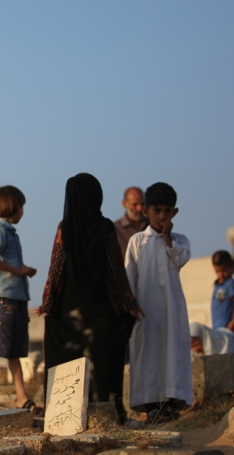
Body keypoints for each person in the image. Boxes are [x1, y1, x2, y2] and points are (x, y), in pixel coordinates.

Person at [39, 173, 144, 425]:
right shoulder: (106, 227)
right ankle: (111, 413)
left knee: (62, 350)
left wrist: (48, 304)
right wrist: (129, 304)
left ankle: (64, 416)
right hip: (100, 311)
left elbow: (56, 268)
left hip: (70, 313)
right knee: (107, 355)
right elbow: (115, 268)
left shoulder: (65, 228)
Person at [125, 182, 192, 424]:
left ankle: (172, 403)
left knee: (172, 352)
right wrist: (130, 306)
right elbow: (130, 277)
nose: (162, 216)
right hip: (145, 311)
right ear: (146, 211)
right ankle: (151, 405)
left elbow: (180, 260)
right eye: (157, 211)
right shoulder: (137, 241)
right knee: (148, 355)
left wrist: (167, 238)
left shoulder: (180, 241)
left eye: (167, 211)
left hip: (172, 310)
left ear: (174, 212)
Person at [0, 185, 40, 414]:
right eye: (21, 206)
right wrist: (19, 271)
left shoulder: (10, 232)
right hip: (5, 299)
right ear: (14, 206)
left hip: (16, 298)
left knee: (14, 350)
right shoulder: (0, 230)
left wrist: (22, 271)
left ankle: (21, 396)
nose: (23, 211)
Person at [210, 250, 234, 332]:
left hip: (226, 327)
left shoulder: (230, 283)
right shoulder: (217, 285)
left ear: (231, 267)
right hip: (217, 327)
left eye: (224, 271)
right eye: (217, 271)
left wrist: (233, 322)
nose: (221, 274)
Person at [114, 186, 148, 258]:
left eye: (142, 204)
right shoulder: (115, 229)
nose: (139, 208)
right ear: (124, 204)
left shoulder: (153, 226)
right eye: (135, 204)